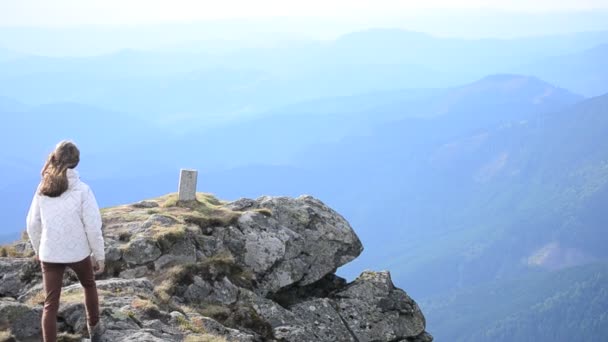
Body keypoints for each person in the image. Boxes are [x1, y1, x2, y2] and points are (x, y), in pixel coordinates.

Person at [26, 140, 106, 342]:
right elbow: (92, 226)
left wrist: (38, 249)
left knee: (50, 303)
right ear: (76, 162)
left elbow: (32, 223)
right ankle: (95, 330)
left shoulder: (43, 187)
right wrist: (99, 256)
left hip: (49, 252)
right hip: (78, 252)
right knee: (88, 284)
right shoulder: (83, 190)